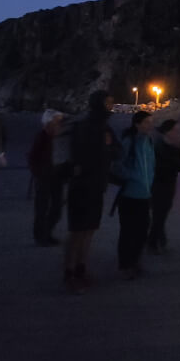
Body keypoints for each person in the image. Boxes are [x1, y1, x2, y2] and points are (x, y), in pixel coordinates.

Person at [64, 90, 118, 293]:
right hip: (82, 186)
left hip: (96, 185)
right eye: (108, 103)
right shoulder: (84, 126)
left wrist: (107, 148)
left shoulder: (105, 128)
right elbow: (80, 155)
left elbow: (115, 150)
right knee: (78, 231)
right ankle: (69, 273)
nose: (111, 107)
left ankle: (80, 268)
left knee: (89, 230)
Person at [116, 111, 156, 279]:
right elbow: (117, 165)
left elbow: (151, 165)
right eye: (146, 122)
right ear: (137, 124)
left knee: (142, 230)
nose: (149, 125)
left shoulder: (149, 141)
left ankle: (135, 260)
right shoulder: (129, 142)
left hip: (145, 195)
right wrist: (134, 177)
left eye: (150, 122)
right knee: (128, 231)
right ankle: (125, 265)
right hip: (129, 195)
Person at [27, 109, 69, 246]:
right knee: (42, 208)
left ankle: (47, 233)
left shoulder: (57, 138)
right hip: (45, 177)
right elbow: (32, 158)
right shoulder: (42, 137)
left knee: (56, 208)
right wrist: (39, 173)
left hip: (56, 176)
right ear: (48, 124)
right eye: (57, 122)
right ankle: (41, 236)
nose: (59, 125)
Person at [148, 118, 180, 254]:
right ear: (168, 132)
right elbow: (159, 166)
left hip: (170, 184)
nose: (178, 133)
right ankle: (154, 242)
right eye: (176, 130)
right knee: (159, 213)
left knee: (162, 213)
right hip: (157, 184)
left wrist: (177, 152)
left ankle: (158, 239)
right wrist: (172, 164)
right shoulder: (158, 146)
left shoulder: (178, 146)